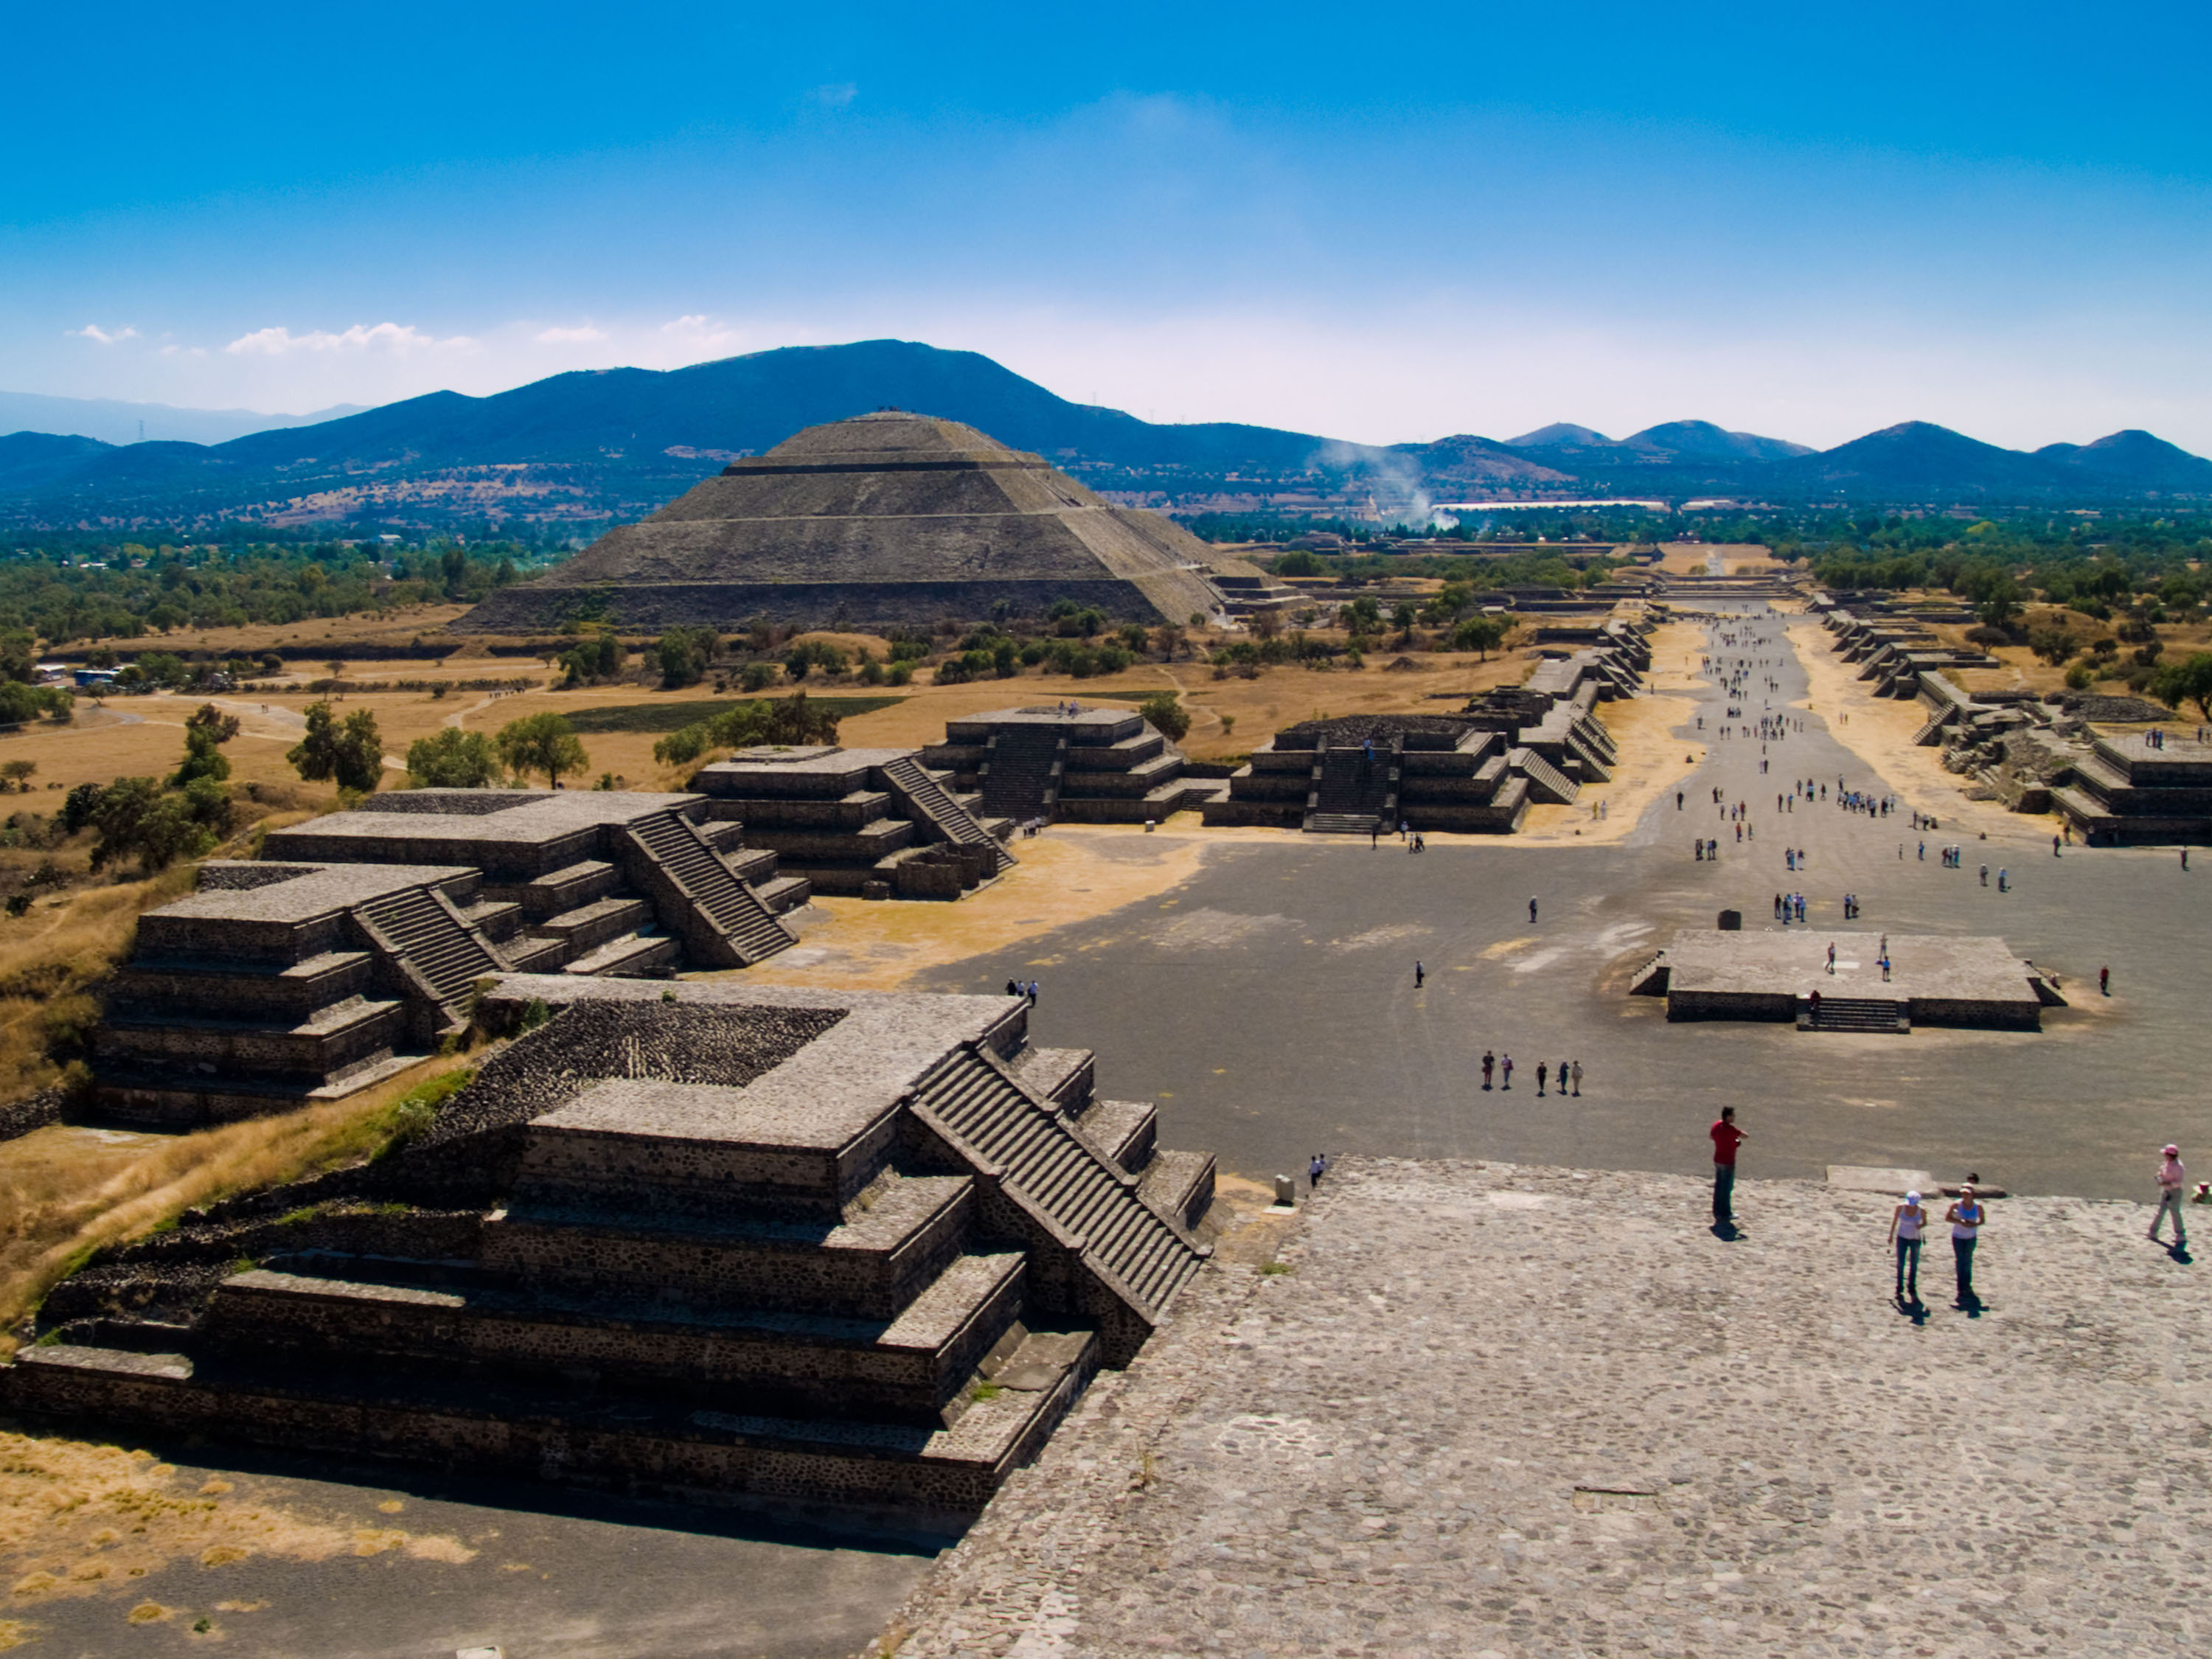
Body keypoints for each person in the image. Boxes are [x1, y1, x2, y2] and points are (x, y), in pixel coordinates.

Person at [1947, 1185, 1984, 1306]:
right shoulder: (1956, 1205)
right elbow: (1948, 1218)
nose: (1964, 1196)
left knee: (1967, 1261)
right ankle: (1961, 1287)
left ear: (1972, 1195)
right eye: (1963, 1194)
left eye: (1967, 1194)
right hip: (1958, 1237)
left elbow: (1982, 1220)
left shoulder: (1978, 1207)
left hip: (1971, 1237)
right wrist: (1960, 1222)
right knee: (1960, 1260)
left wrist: (1974, 1224)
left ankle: (1967, 1285)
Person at [1888, 1189, 1927, 1304]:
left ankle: (1911, 1286)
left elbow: (1925, 1222)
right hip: (1902, 1237)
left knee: (1914, 1264)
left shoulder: (1921, 1210)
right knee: (1900, 1263)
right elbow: (1895, 1221)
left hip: (1915, 1239)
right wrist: (1891, 1235)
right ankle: (1899, 1287)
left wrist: (1920, 1226)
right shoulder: (1900, 1208)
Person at [1710, 1107, 1744, 1222]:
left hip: (1718, 1160)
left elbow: (1712, 1136)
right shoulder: (1730, 1129)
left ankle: (1717, 1209)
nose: (1734, 1117)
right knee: (1726, 1188)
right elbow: (1744, 1135)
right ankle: (1725, 1212)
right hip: (1728, 1162)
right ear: (1728, 1116)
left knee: (1719, 1186)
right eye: (1733, 1115)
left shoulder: (1717, 1126)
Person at [2151, 1144, 2188, 1248]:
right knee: (2160, 1211)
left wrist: (2167, 1185)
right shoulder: (2166, 1163)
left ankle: (2180, 1234)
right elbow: (2162, 1172)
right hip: (2166, 1191)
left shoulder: (2179, 1167)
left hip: (2175, 1193)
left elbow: (2179, 1182)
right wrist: (2159, 1178)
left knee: (2175, 1212)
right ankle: (2153, 1232)